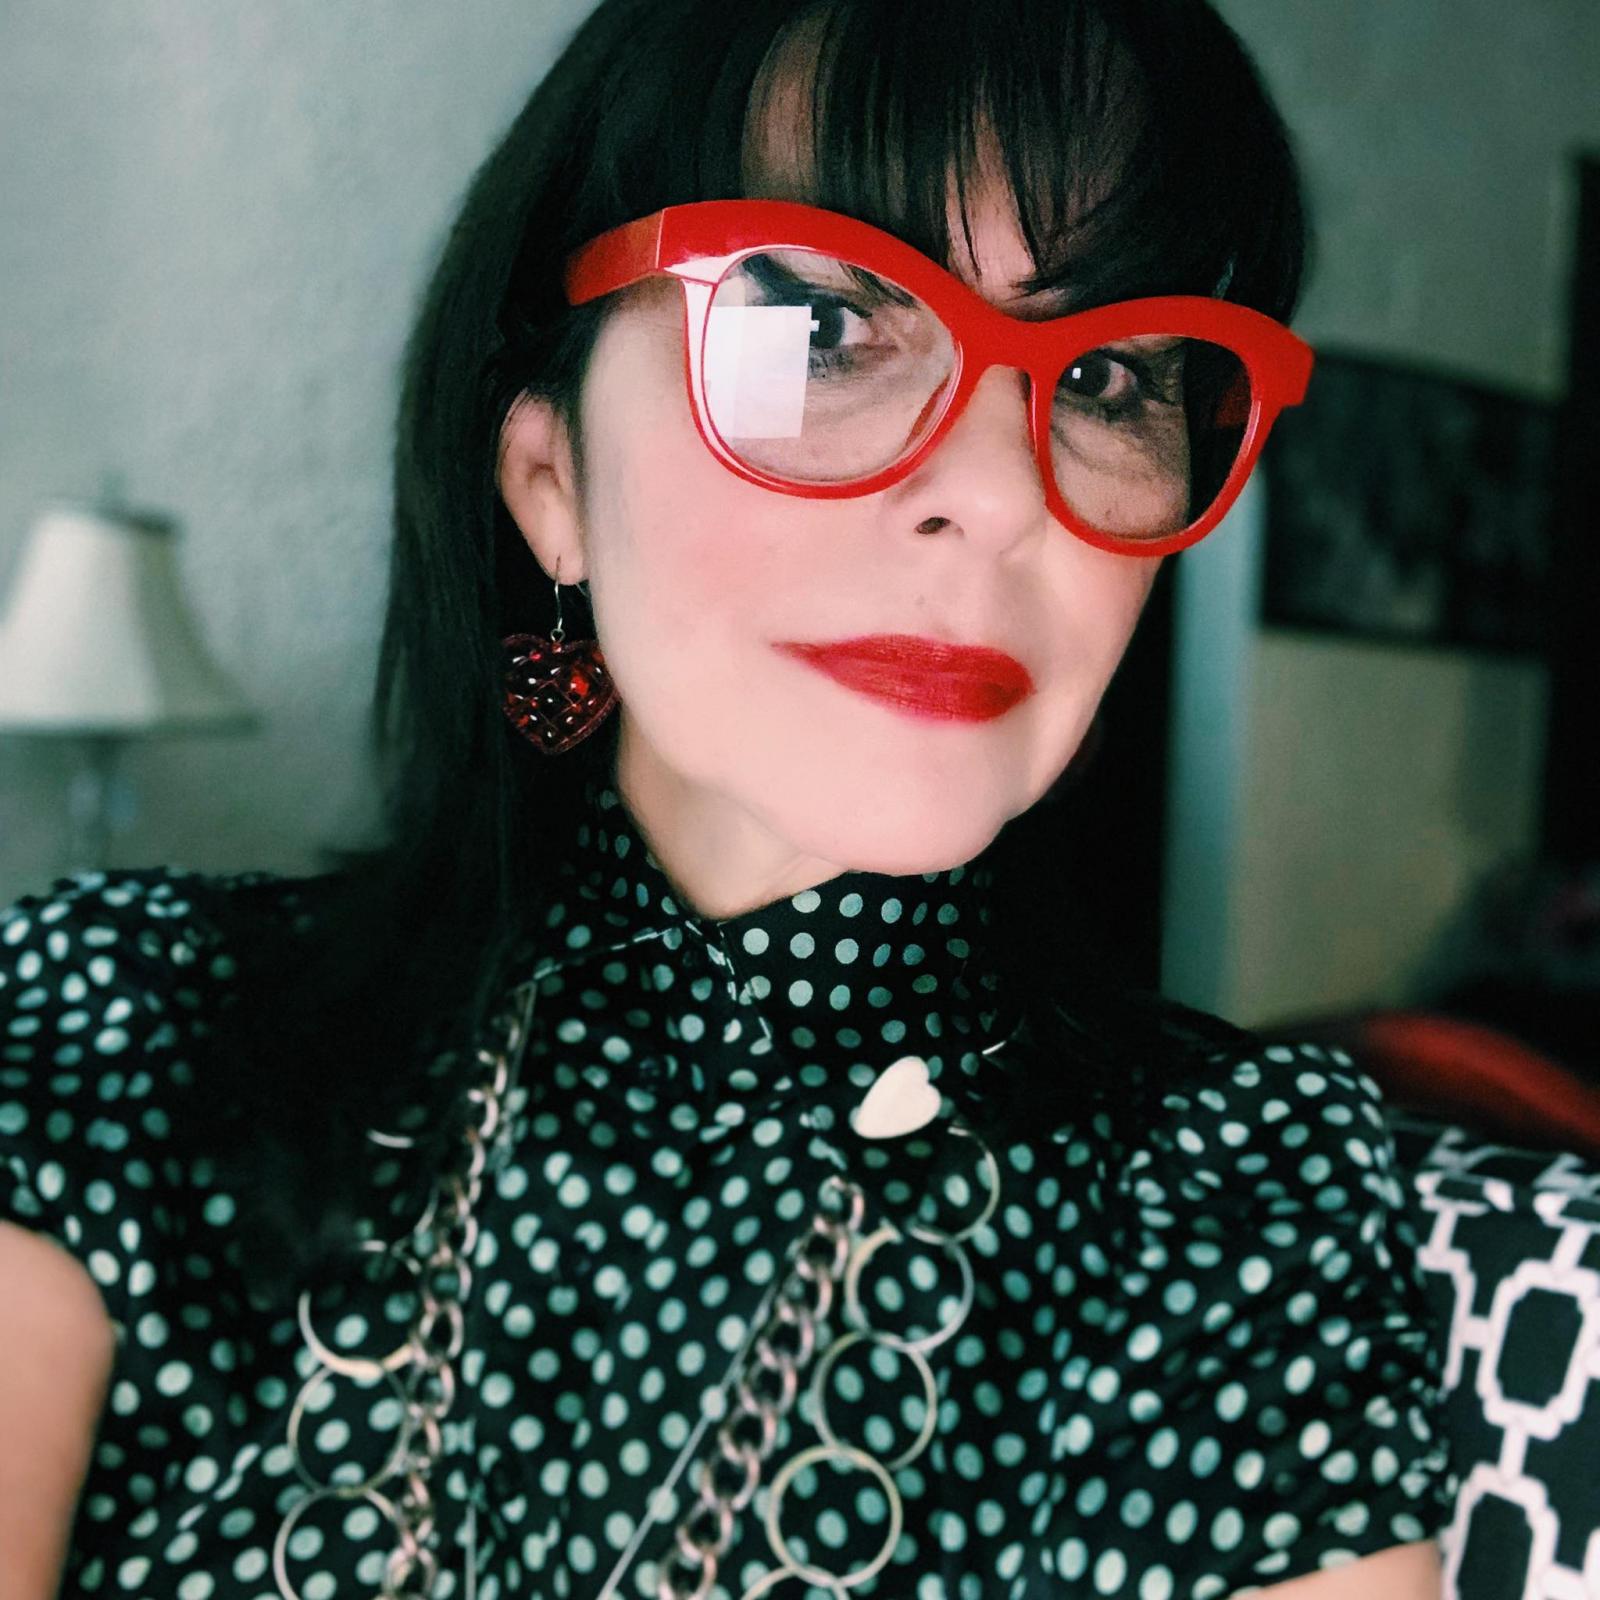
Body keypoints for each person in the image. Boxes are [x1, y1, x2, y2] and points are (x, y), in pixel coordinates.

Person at [0, 0, 1457, 1596]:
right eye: (825, 326)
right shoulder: (120, 1038)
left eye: (1107, 375)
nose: (995, 491)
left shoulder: (1231, 1198)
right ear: (553, 483)